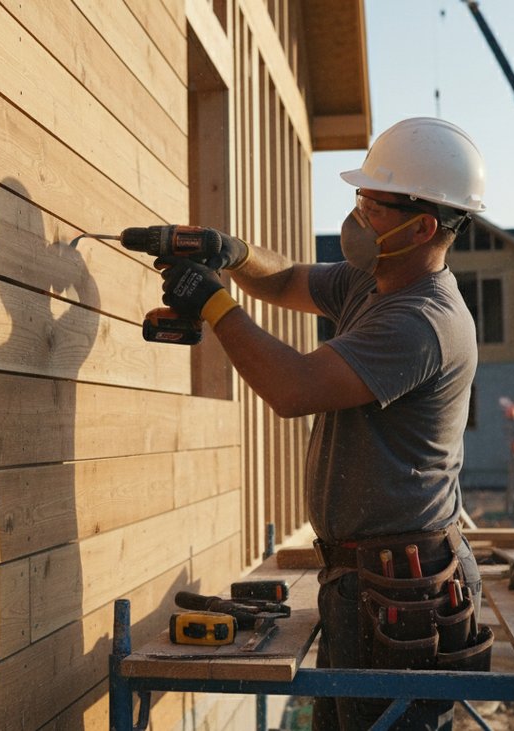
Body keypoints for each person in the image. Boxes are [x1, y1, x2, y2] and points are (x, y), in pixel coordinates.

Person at [157, 117, 486, 730]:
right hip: (363, 579)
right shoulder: (375, 281)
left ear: (422, 226)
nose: (357, 215)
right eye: (358, 197)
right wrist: (230, 253)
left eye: (373, 204)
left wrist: (212, 301)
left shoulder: (422, 320)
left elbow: (294, 388)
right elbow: (286, 280)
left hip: (402, 588)